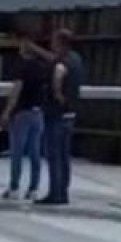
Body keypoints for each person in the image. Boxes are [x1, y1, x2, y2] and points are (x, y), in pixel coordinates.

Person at [34, 28, 84, 206]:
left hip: (56, 113)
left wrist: (57, 94)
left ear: (60, 43)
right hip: (71, 113)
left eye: (54, 41)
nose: (51, 43)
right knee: (64, 156)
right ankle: (63, 191)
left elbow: (57, 76)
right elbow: (53, 59)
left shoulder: (61, 63)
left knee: (53, 155)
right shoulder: (76, 59)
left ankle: (55, 193)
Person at [1, 30, 49, 201]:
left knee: (17, 152)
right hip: (38, 113)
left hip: (22, 112)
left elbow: (16, 91)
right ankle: (33, 188)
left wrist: (7, 112)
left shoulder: (21, 67)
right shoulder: (43, 68)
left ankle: (14, 187)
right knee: (35, 152)